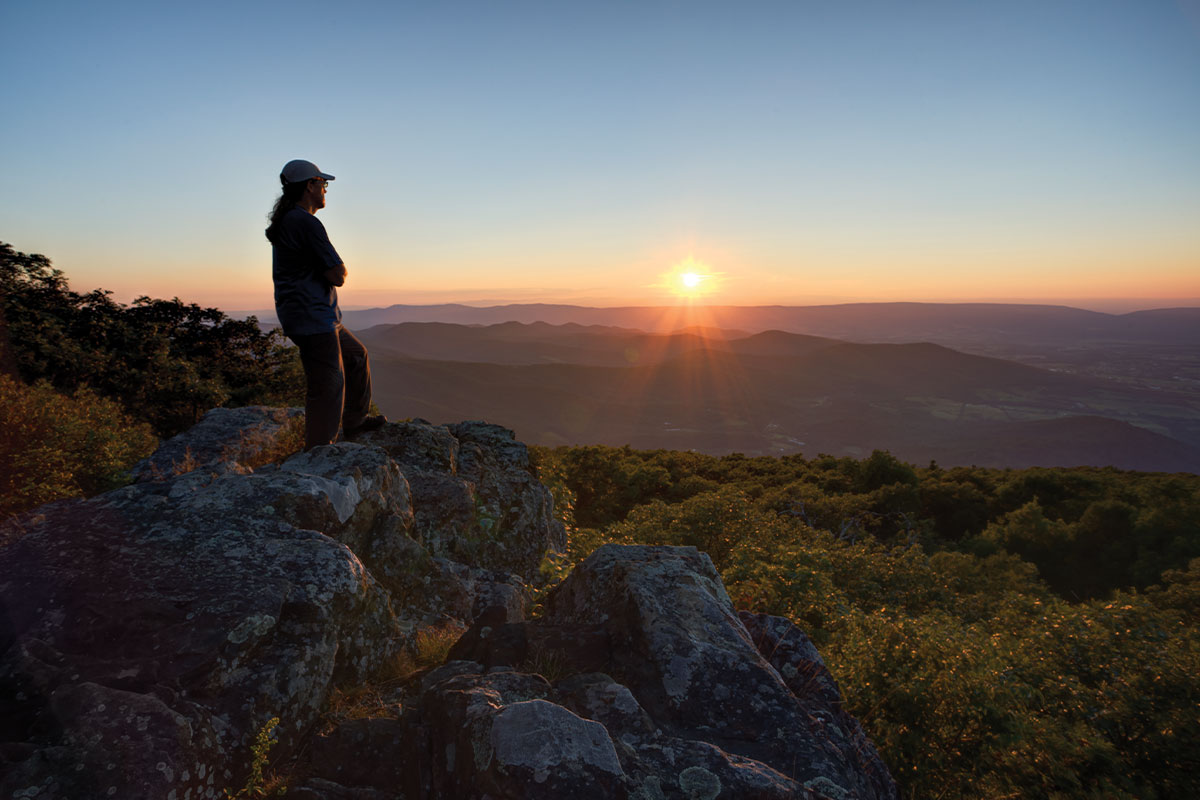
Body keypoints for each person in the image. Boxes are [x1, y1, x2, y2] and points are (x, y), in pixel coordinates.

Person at [265, 159, 385, 449]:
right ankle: (319, 452)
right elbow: (337, 274)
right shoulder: (305, 222)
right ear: (310, 185)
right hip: (312, 316)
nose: (325, 190)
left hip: (313, 314)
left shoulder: (290, 220)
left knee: (356, 356)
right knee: (328, 385)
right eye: (323, 184)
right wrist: (337, 271)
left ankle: (355, 422)